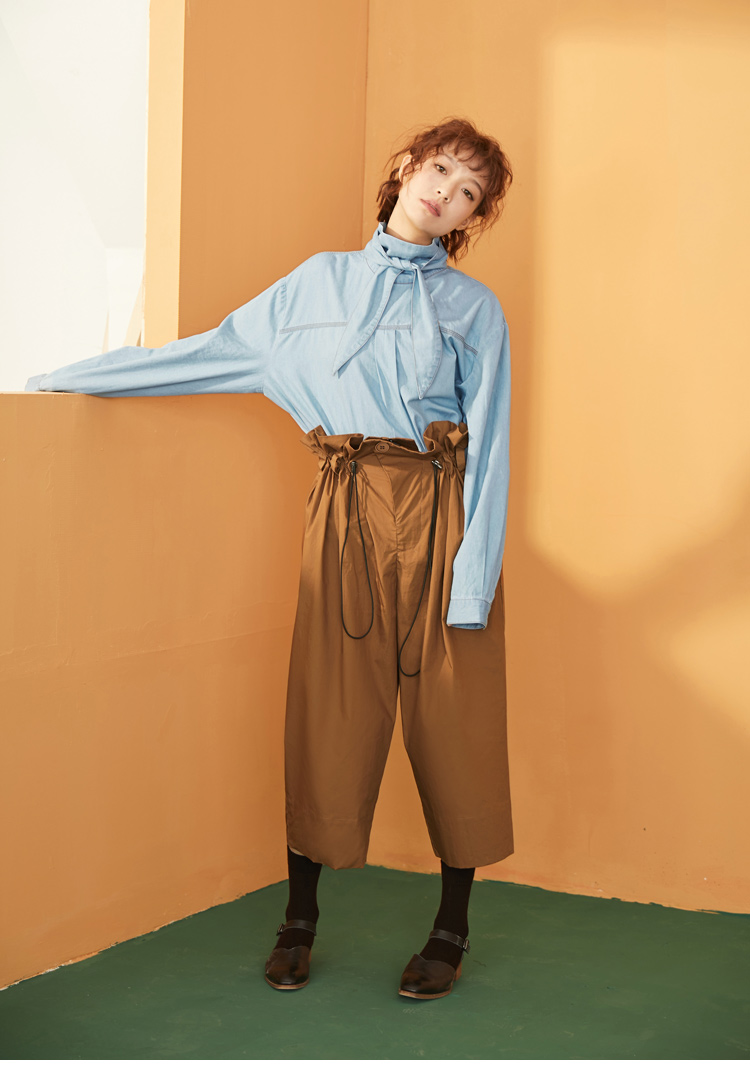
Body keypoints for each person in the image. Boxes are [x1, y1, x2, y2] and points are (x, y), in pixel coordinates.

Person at [26, 115, 514, 1002]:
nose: (447, 190)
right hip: (343, 506)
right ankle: (299, 917)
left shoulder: (473, 309)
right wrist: (67, 377)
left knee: (455, 716)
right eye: (442, 167)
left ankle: (452, 926)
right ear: (408, 167)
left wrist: (472, 578)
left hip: (442, 510)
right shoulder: (314, 285)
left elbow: (492, 445)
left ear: (469, 219)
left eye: (469, 191)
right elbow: (211, 354)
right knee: (327, 707)